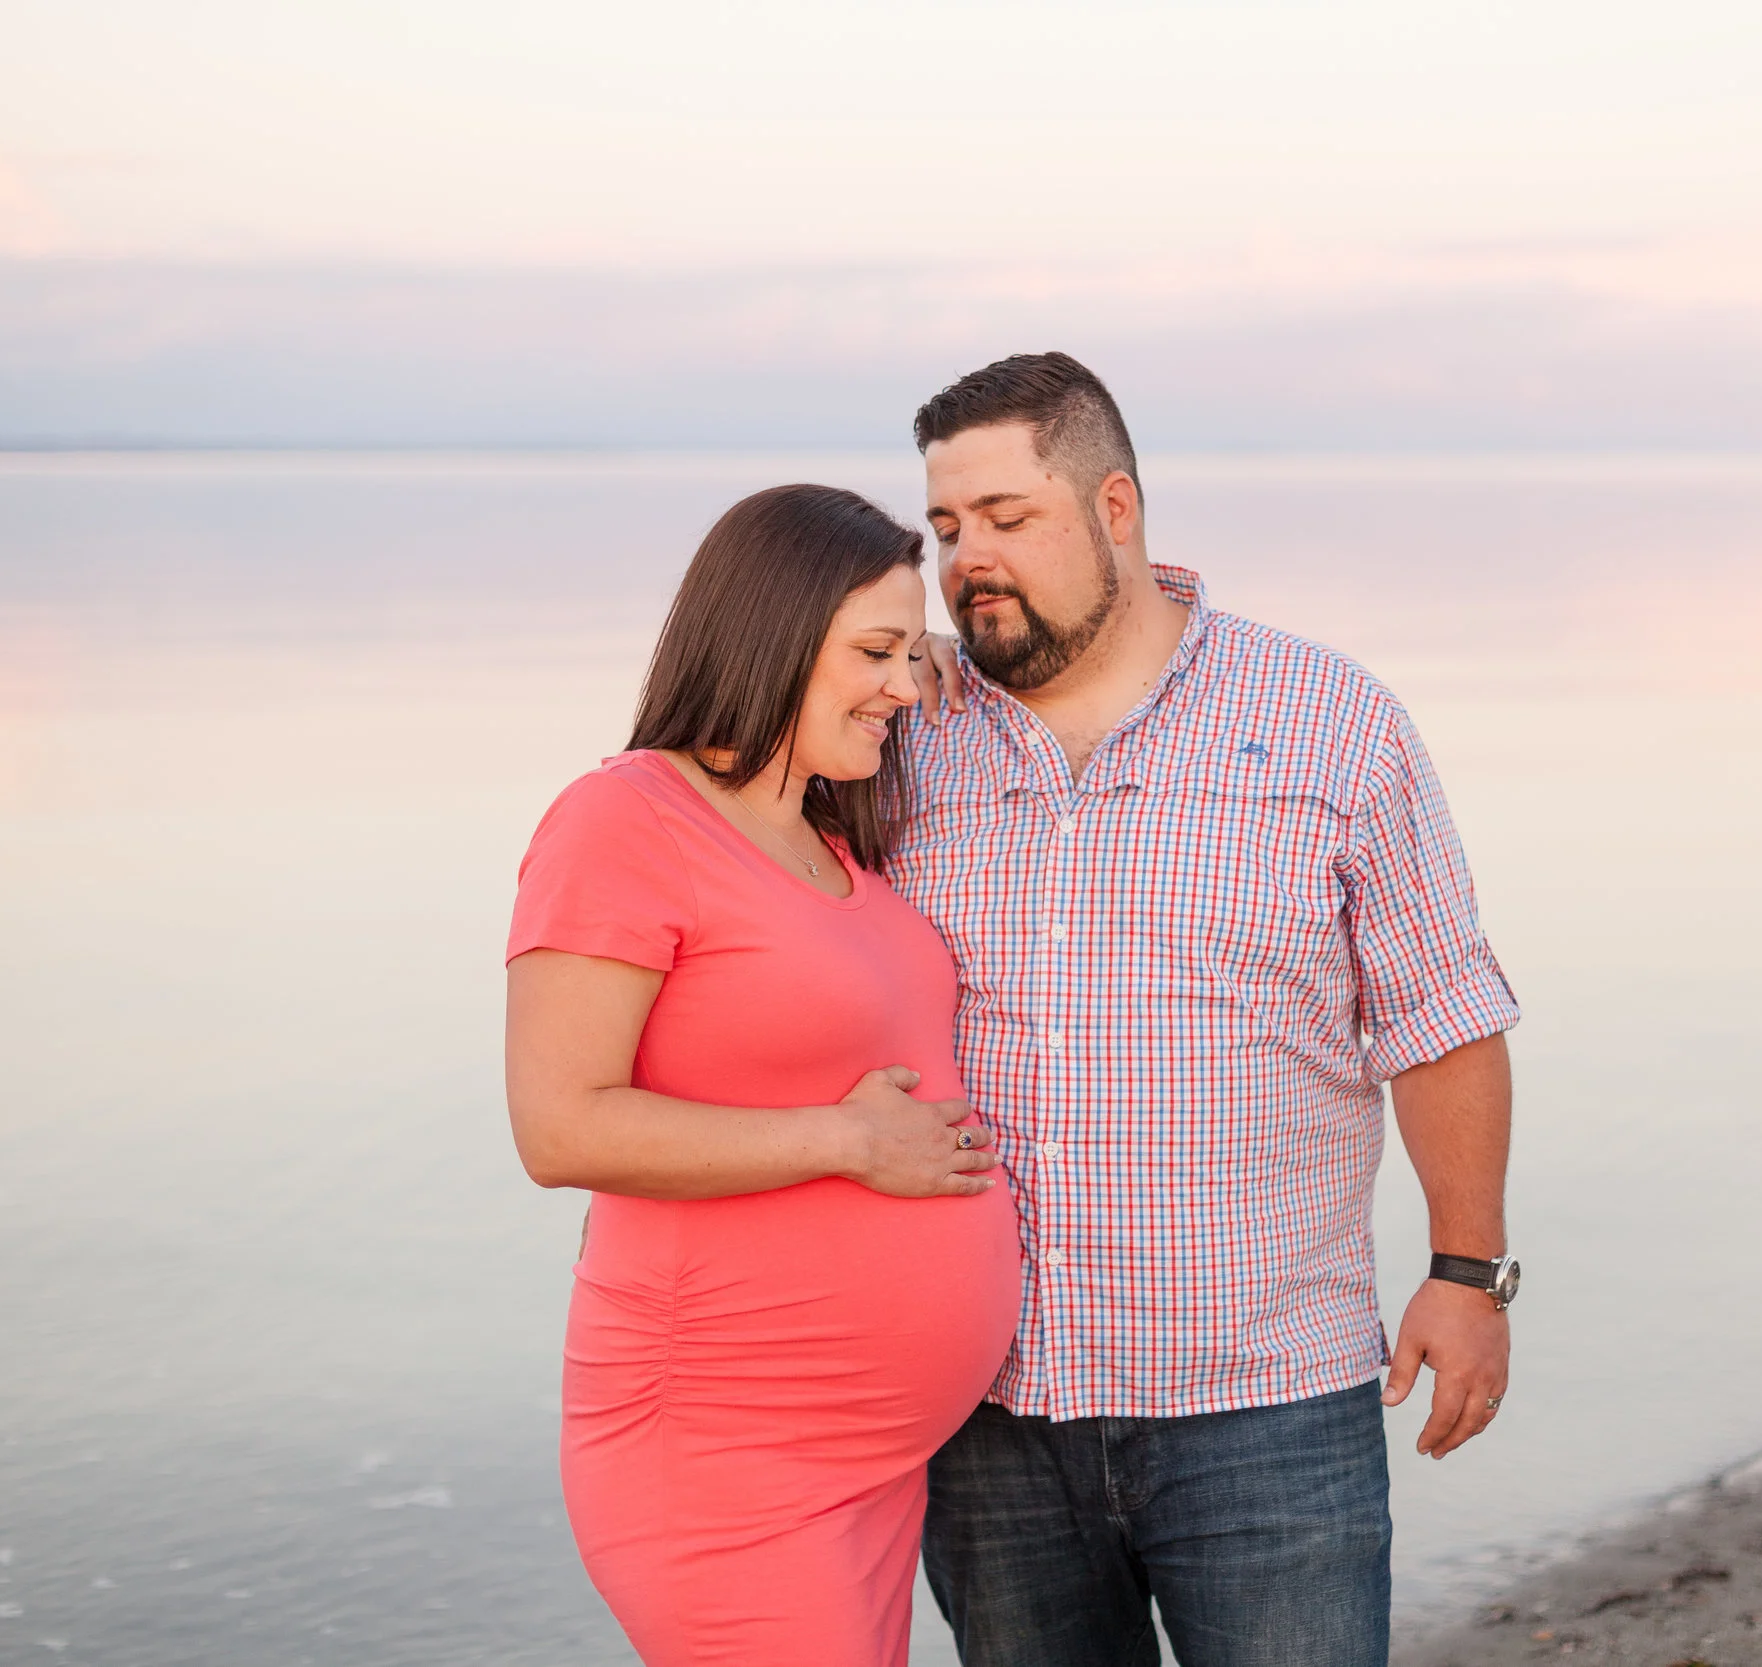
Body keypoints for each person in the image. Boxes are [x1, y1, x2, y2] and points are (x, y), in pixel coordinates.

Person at [895, 353, 1522, 1667]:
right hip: (985, 1407)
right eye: (946, 528)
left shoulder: (1329, 718)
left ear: (1115, 508)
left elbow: (1441, 1015)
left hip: (1266, 1404)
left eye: (1007, 517)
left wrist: (1466, 1273)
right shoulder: (902, 731)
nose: (968, 560)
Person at [501, 484, 1021, 1667]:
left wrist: (924, 648)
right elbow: (557, 1126)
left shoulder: (825, 827)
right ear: (772, 634)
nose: (904, 685)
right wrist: (844, 1140)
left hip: (870, 1463)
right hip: (724, 1456)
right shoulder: (622, 820)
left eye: (910, 653)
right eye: (874, 653)